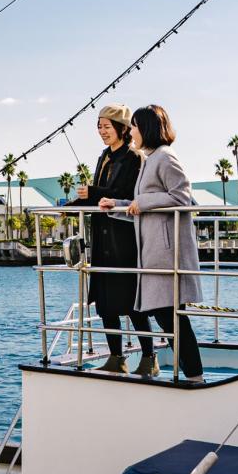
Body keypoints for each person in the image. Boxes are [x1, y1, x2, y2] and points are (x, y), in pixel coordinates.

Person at [100, 104, 204, 381]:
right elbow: (143, 206)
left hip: (166, 253)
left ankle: (194, 375)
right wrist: (117, 206)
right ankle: (192, 374)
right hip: (153, 251)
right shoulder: (150, 159)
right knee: (165, 315)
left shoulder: (165, 157)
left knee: (170, 316)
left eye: (134, 126)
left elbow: (183, 197)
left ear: (146, 128)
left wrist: (141, 202)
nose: (131, 132)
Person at [70, 104, 150, 373]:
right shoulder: (104, 156)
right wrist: (70, 206)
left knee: (131, 302)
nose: (102, 131)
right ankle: (116, 358)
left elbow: (123, 192)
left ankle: (149, 359)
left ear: (122, 129)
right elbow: (95, 196)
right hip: (102, 240)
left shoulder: (134, 157)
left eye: (107, 126)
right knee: (105, 302)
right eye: (99, 126)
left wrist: (91, 192)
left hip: (124, 239)